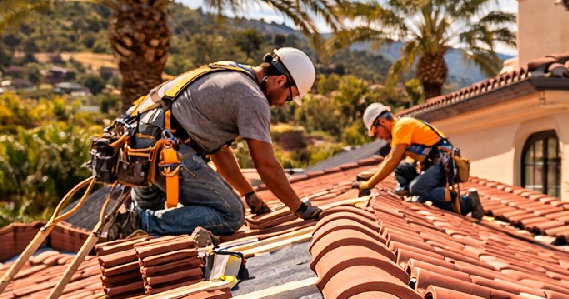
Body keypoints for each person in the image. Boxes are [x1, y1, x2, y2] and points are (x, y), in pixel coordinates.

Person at [113, 47, 324, 238]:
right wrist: (299, 208)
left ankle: (130, 223)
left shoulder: (232, 71)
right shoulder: (252, 98)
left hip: (141, 143)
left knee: (148, 222)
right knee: (230, 214)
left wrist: (248, 193)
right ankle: (135, 223)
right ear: (280, 80)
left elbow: (219, 152)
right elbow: (266, 165)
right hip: (164, 148)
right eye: (289, 97)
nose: (283, 104)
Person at [355, 103, 483, 219]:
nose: (379, 136)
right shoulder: (399, 129)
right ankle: (427, 194)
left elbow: (392, 160)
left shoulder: (401, 127)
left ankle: (468, 201)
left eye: (376, 131)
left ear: (382, 122)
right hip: (432, 165)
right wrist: (370, 177)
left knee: (417, 188)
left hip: (443, 162)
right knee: (402, 169)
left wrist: (369, 184)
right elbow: (390, 159)